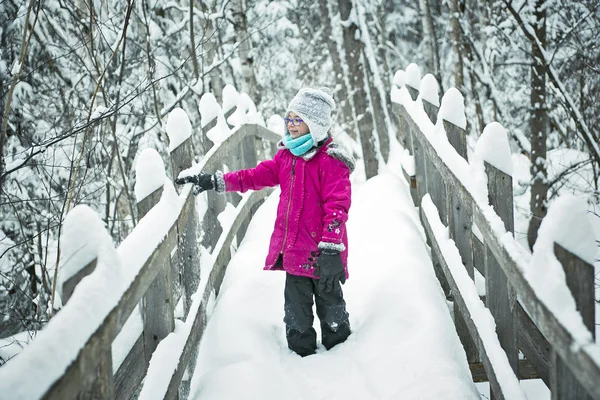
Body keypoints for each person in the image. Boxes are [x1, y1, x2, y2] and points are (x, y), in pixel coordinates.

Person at [175, 88, 354, 357]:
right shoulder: (286, 157)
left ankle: (343, 357)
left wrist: (331, 248)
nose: (291, 124)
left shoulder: (330, 162)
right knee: (296, 318)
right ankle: (302, 360)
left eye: (298, 119)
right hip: (294, 255)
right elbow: (255, 176)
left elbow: (337, 207)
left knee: (333, 313)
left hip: (323, 256)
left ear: (315, 124)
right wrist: (217, 181)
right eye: (289, 118)